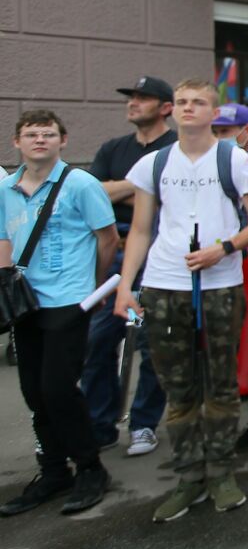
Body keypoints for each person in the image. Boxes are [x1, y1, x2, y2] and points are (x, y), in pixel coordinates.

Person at [112, 79, 248, 521]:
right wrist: (127, 285)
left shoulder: (236, 159)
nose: (187, 109)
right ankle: (189, 476)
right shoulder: (153, 163)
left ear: (213, 112)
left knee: (221, 383)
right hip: (164, 284)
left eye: (197, 102)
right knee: (177, 387)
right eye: (181, 102)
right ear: (172, 110)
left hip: (220, 284)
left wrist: (224, 247)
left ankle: (221, 471)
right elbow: (141, 229)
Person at [0, 111, 118, 516]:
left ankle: (90, 468)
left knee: (57, 388)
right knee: (34, 391)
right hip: (26, 302)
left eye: (47, 134)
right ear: (17, 142)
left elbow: (108, 238)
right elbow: (3, 239)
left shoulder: (81, 184)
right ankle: (53, 471)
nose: (39, 141)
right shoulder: (6, 188)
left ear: (62, 141)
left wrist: (93, 285)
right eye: (30, 135)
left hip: (69, 299)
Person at [82, 75, 176, 458]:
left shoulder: (176, 148)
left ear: (165, 107)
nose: (133, 103)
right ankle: (100, 424)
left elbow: (166, 194)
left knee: (154, 345)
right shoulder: (113, 147)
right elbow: (93, 193)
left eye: (143, 97)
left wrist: (120, 187)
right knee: (98, 340)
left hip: (160, 254)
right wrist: (139, 183)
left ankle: (143, 424)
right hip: (114, 253)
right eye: (131, 97)